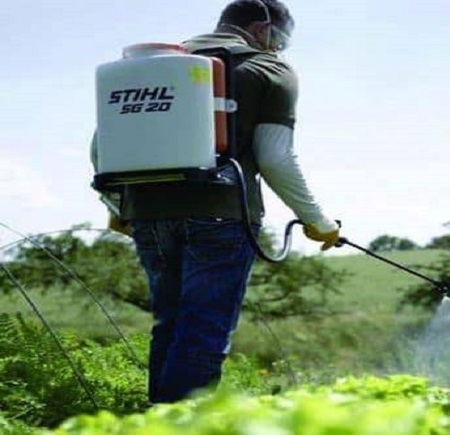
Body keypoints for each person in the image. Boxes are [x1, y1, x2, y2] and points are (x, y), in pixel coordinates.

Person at [91, 0, 340, 403]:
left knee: (169, 325)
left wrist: (116, 208)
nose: (278, 50)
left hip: (147, 215)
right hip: (222, 213)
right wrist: (318, 221)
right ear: (262, 30)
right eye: (280, 41)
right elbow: (275, 157)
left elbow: (101, 148)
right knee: (203, 329)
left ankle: (156, 429)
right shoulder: (269, 69)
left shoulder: (159, 64)